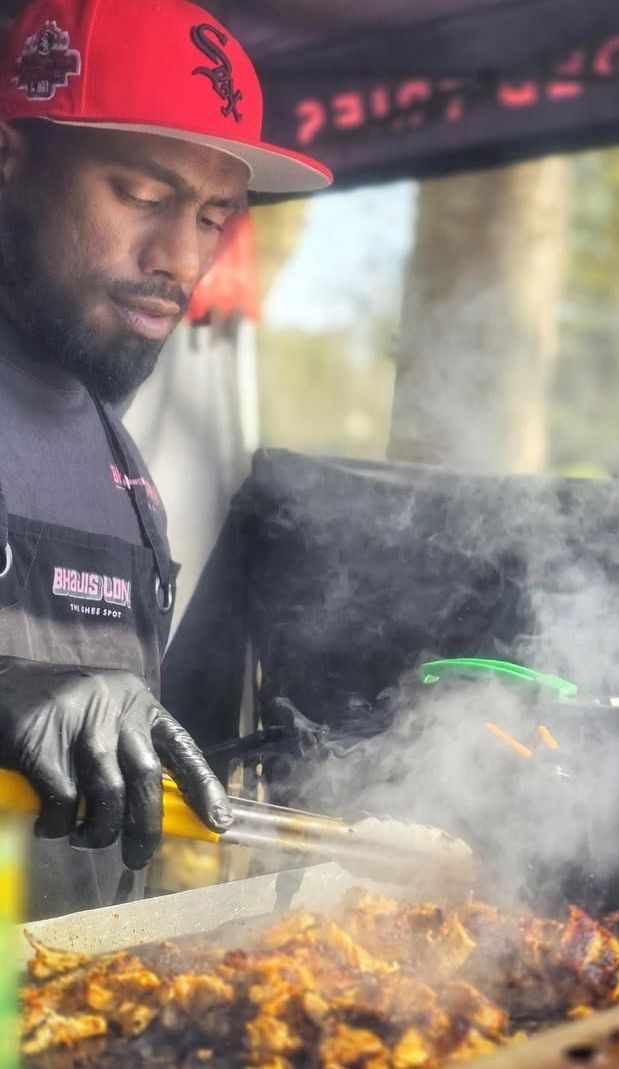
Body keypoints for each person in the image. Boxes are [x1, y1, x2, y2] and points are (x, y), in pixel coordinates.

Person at [0, 0, 331, 917]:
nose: (180, 257)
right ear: (8, 161)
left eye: (215, 216)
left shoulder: (125, 466)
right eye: (142, 196)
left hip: (67, 1017)